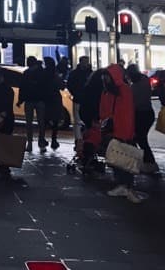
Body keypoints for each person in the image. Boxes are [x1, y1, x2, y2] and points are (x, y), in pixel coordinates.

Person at [101, 63, 144, 203]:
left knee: (124, 160)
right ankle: (123, 186)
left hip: (122, 131)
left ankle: (128, 187)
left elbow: (127, 114)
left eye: (107, 76)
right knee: (117, 160)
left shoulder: (122, 91)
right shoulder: (111, 91)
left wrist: (127, 132)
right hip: (115, 131)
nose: (105, 79)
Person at [126, 64, 158, 173]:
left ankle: (149, 162)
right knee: (141, 138)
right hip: (147, 113)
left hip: (141, 114)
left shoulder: (135, 86)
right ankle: (147, 161)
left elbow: (136, 102)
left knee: (140, 139)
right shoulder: (144, 80)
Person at [17, 56, 48, 152]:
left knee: (29, 122)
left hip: (29, 100)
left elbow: (22, 87)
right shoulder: (42, 72)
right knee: (41, 122)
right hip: (39, 100)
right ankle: (41, 142)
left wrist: (20, 100)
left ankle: (30, 143)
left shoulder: (26, 73)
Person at [67, 56, 92, 142]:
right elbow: (70, 85)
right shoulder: (88, 73)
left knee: (82, 121)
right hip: (80, 99)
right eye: (85, 62)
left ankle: (82, 139)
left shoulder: (76, 73)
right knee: (78, 121)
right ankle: (79, 139)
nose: (86, 63)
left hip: (84, 100)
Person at [42, 56, 64, 149]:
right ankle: (54, 140)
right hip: (55, 99)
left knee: (44, 120)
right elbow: (62, 86)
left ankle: (42, 139)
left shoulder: (43, 74)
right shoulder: (55, 75)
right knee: (55, 121)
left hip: (46, 99)